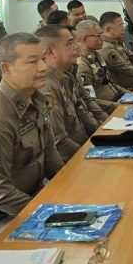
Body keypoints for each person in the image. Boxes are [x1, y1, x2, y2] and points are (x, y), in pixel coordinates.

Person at [0, 33, 64, 217]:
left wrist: (72, 188)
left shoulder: (35, 100)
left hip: (36, 198)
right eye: (32, 62)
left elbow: (51, 158)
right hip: (4, 216)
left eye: (43, 59)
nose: (44, 67)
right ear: (6, 68)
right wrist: (48, 214)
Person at [37, 25, 96, 162]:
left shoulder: (66, 77)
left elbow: (83, 114)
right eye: (70, 43)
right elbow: (61, 143)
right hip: (72, 162)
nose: (76, 46)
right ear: (51, 52)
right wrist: (91, 156)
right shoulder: (47, 87)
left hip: (83, 150)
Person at [75, 19, 129, 103]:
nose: (102, 39)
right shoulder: (82, 65)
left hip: (119, 99)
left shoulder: (97, 56)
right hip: (109, 109)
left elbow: (112, 84)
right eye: (99, 35)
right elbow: (91, 101)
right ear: (85, 39)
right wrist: (119, 106)